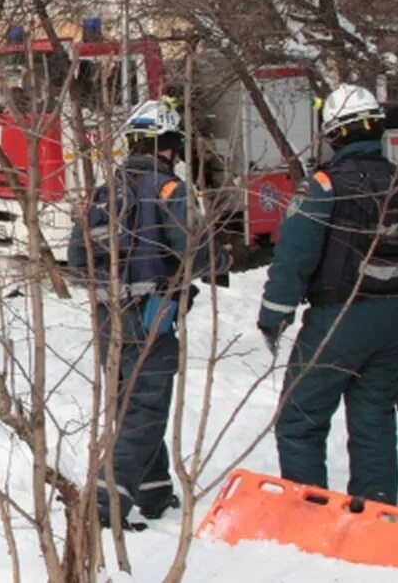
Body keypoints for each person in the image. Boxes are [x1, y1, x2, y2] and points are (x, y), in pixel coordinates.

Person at [256, 83, 398, 504]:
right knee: (375, 416)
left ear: (334, 133)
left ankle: (310, 510)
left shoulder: (322, 186)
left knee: (300, 417)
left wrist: (274, 315)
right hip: (394, 316)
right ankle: (375, 508)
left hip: (339, 316)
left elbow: (295, 257)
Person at [67, 98, 230, 531]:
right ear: (168, 147)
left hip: (107, 320)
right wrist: (221, 257)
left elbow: (77, 262)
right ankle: (105, 499)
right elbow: (199, 254)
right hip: (152, 317)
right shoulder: (170, 191)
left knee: (128, 405)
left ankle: (154, 492)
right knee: (146, 409)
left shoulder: (102, 195)